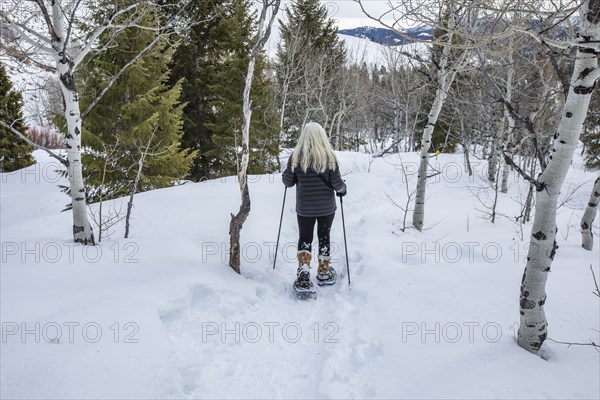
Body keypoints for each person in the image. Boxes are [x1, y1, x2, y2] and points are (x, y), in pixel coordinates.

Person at [282, 122, 346, 294]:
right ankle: (324, 272)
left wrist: (288, 173)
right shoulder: (329, 156)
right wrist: (343, 189)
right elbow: (337, 184)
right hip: (326, 208)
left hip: (305, 209)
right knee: (324, 236)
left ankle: (303, 273)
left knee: (305, 238)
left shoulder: (295, 157)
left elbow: (288, 182)